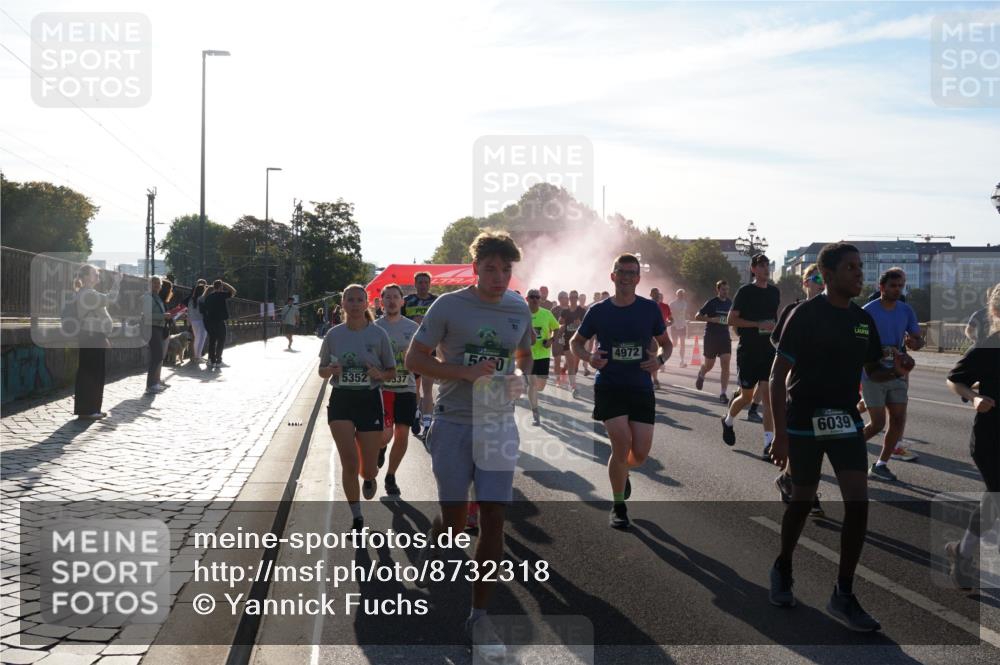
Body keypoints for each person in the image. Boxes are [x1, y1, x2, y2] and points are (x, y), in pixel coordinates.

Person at [767, 242, 910, 632]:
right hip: (804, 421)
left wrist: (895, 370)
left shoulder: (862, 321)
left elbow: (873, 372)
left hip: (845, 420)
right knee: (801, 502)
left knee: (858, 505)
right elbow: (778, 377)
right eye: (851, 268)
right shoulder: (805, 315)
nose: (859, 273)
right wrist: (779, 436)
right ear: (828, 276)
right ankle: (783, 566)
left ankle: (843, 594)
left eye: (860, 267)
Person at [404, 231, 533, 661]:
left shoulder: (518, 308)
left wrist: (520, 379)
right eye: (491, 268)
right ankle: (441, 527)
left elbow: (524, 355)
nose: (499, 277)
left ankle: (478, 615)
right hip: (455, 422)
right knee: (457, 523)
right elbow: (415, 359)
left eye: (506, 269)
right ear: (476, 267)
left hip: (498, 423)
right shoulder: (448, 306)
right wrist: (463, 373)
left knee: (493, 518)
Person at [570, 253, 673, 529]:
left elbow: (667, 343)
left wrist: (660, 360)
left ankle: (623, 472)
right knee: (621, 443)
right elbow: (575, 342)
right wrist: (589, 358)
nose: (626, 277)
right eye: (621, 272)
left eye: (631, 273)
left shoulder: (649, 309)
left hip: (640, 386)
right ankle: (618, 505)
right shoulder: (598, 311)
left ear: (638, 278)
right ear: (612, 276)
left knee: (639, 454)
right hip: (610, 385)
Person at [318, 284, 396, 528]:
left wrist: (379, 374)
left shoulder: (378, 334)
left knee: (368, 469)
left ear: (367, 303)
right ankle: (357, 516)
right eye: (349, 300)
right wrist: (330, 370)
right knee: (349, 462)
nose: (354, 304)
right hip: (341, 399)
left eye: (358, 300)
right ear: (342, 304)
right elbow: (321, 371)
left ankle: (371, 476)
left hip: (369, 399)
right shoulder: (334, 335)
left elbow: (392, 372)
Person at [944, 283, 999, 589]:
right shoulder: (988, 347)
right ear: (995, 313)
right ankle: (963, 554)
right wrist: (974, 398)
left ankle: (961, 552)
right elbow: (954, 379)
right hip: (992, 436)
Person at [770, 264, 825, 516]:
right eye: (815, 278)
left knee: (817, 440)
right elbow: (776, 339)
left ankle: (790, 479)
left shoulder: (836, 312)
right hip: (798, 382)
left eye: (823, 278)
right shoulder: (794, 310)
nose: (820, 282)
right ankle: (807, 491)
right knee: (804, 440)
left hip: (825, 385)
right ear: (805, 283)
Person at [861, 268, 925, 480]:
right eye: (893, 286)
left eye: (900, 286)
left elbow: (918, 340)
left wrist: (914, 342)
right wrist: (880, 350)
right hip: (873, 373)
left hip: (897, 373)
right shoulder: (868, 311)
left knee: (897, 420)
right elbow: (858, 342)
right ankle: (847, 450)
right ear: (882, 287)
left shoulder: (906, 310)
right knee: (877, 424)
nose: (897, 290)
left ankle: (881, 465)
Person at [721, 254, 780, 458]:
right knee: (746, 396)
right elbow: (731, 320)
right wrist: (757, 325)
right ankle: (728, 420)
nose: (765, 269)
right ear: (753, 269)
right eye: (761, 266)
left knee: (767, 396)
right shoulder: (745, 292)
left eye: (767, 265)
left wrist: (776, 331)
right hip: (748, 350)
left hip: (768, 350)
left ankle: (767, 444)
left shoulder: (774, 292)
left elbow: (774, 318)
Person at [374, 284, 420, 497]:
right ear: (381, 302)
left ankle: (391, 476)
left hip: (406, 387)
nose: (392, 301)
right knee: (385, 435)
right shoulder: (373, 328)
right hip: (383, 389)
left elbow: (420, 359)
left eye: (396, 297)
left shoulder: (413, 328)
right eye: (388, 297)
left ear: (403, 302)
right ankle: (380, 448)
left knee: (402, 433)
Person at [71, 265, 122, 418]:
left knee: (91, 371)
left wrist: (103, 336)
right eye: (95, 273)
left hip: (93, 335)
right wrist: (117, 282)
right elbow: (111, 298)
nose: (98, 275)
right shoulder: (88, 294)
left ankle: (90, 409)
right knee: (93, 372)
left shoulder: (87, 293)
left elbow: (98, 317)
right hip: (91, 335)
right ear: (86, 277)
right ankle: (90, 410)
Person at [402, 271, 439, 438]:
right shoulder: (407, 301)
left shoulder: (436, 301)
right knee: (415, 387)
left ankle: (427, 423)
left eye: (426, 282)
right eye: (420, 282)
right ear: (415, 284)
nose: (423, 285)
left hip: (431, 349)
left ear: (430, 284)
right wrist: (413, 322)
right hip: (413, 350)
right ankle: (417, 413)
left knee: (428, 388)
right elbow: (399, 322)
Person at [694, 280, 733, 404]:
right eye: (723, 289)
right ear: (718, 290)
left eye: (727, 289)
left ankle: (723, 393)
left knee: (726, 364)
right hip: (711, 337)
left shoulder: (730, 303)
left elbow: (733, 319)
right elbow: (697, 316)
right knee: (709, 365)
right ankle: (702, 373)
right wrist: (711, 319)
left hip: (725, 337)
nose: (725, 292)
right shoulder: (711, 303)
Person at [526, 288, 561, 425]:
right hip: (527, 355)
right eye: (532, 297)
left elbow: (557, 328)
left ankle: (533, 393)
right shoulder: (522, 314)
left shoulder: (546, 314)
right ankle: (535, 412)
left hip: (543, 354)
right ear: (527, 299)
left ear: (540, 300)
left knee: (540, 386)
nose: (535, 299)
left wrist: (552, 340)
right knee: (532, 385)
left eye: (537, 297)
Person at [141, 276, 170, 394]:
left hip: (158, 328)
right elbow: (147, 316)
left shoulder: (156, 297)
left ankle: (154, 383)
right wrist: (163, 316)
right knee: (157, 356)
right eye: (154, 283)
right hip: (152, 328)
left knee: (158, 356)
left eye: (159, 283)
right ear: (149, 284)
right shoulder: (148, 297)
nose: (157, 285)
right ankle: (151, 385)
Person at [202, 279, 236, 369]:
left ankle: (211, 360)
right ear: (221, 287)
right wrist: (226, 284)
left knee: (212, 340)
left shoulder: (208, 297)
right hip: (219, 321)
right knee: (221, 340)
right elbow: (233, 291)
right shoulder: (221, 295)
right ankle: (218, 361)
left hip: (209, 322)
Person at [559, 290, 587, 398]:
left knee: (575, 366)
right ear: (569, 298)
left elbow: (586, 324)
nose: (574, 299)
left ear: (578, 298)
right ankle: (573, 386)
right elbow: (560, 321)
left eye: (576, 297)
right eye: (572, 297)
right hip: (567, 341)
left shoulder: (582, 310)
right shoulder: (565, 311)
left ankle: (565, 372)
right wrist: (563, 320)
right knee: (571, 364)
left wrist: (580, 323)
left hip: (578, 341)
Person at [649, 288, 673, 390]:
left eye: (657, 293)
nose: (656, 295)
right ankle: (654, 379)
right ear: (650, 295)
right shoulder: (646, 305)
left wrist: (669, 323)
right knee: (652, 356)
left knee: (661, 354)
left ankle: (657, 369)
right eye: (654, 293)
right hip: (650, 335)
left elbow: (671, 319)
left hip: (663, 334)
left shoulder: (665, 306)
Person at [185, 281, 208, 364]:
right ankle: (198, 357)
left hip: (194, 321)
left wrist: (189, 321)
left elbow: (189, 312)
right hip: (201, 320)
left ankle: (197, 356)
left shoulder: (191, 300)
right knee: (201, 339)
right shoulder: (201, 299)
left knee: (197, 339)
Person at [550, 291, 570, 387]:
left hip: (569, 339)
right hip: (557, 338)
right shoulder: (555, 310)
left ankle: (563, 370)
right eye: (563, 297)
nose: (566, 299)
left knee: (568, 361)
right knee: (557, 360)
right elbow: (548, 324)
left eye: (566, 297)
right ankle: (558, 379)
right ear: (559, 299)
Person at [669, 288, 689, 367]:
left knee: (683, 343)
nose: (681, 295)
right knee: (674, 344)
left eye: (683, 294)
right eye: (680, 294)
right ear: (677, 295)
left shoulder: (685, 303)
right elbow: (669, 314)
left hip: (682, 325)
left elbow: (682, 312)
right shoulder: (672, 304)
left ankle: (682, 361)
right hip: (674, 325)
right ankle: (663, 355)